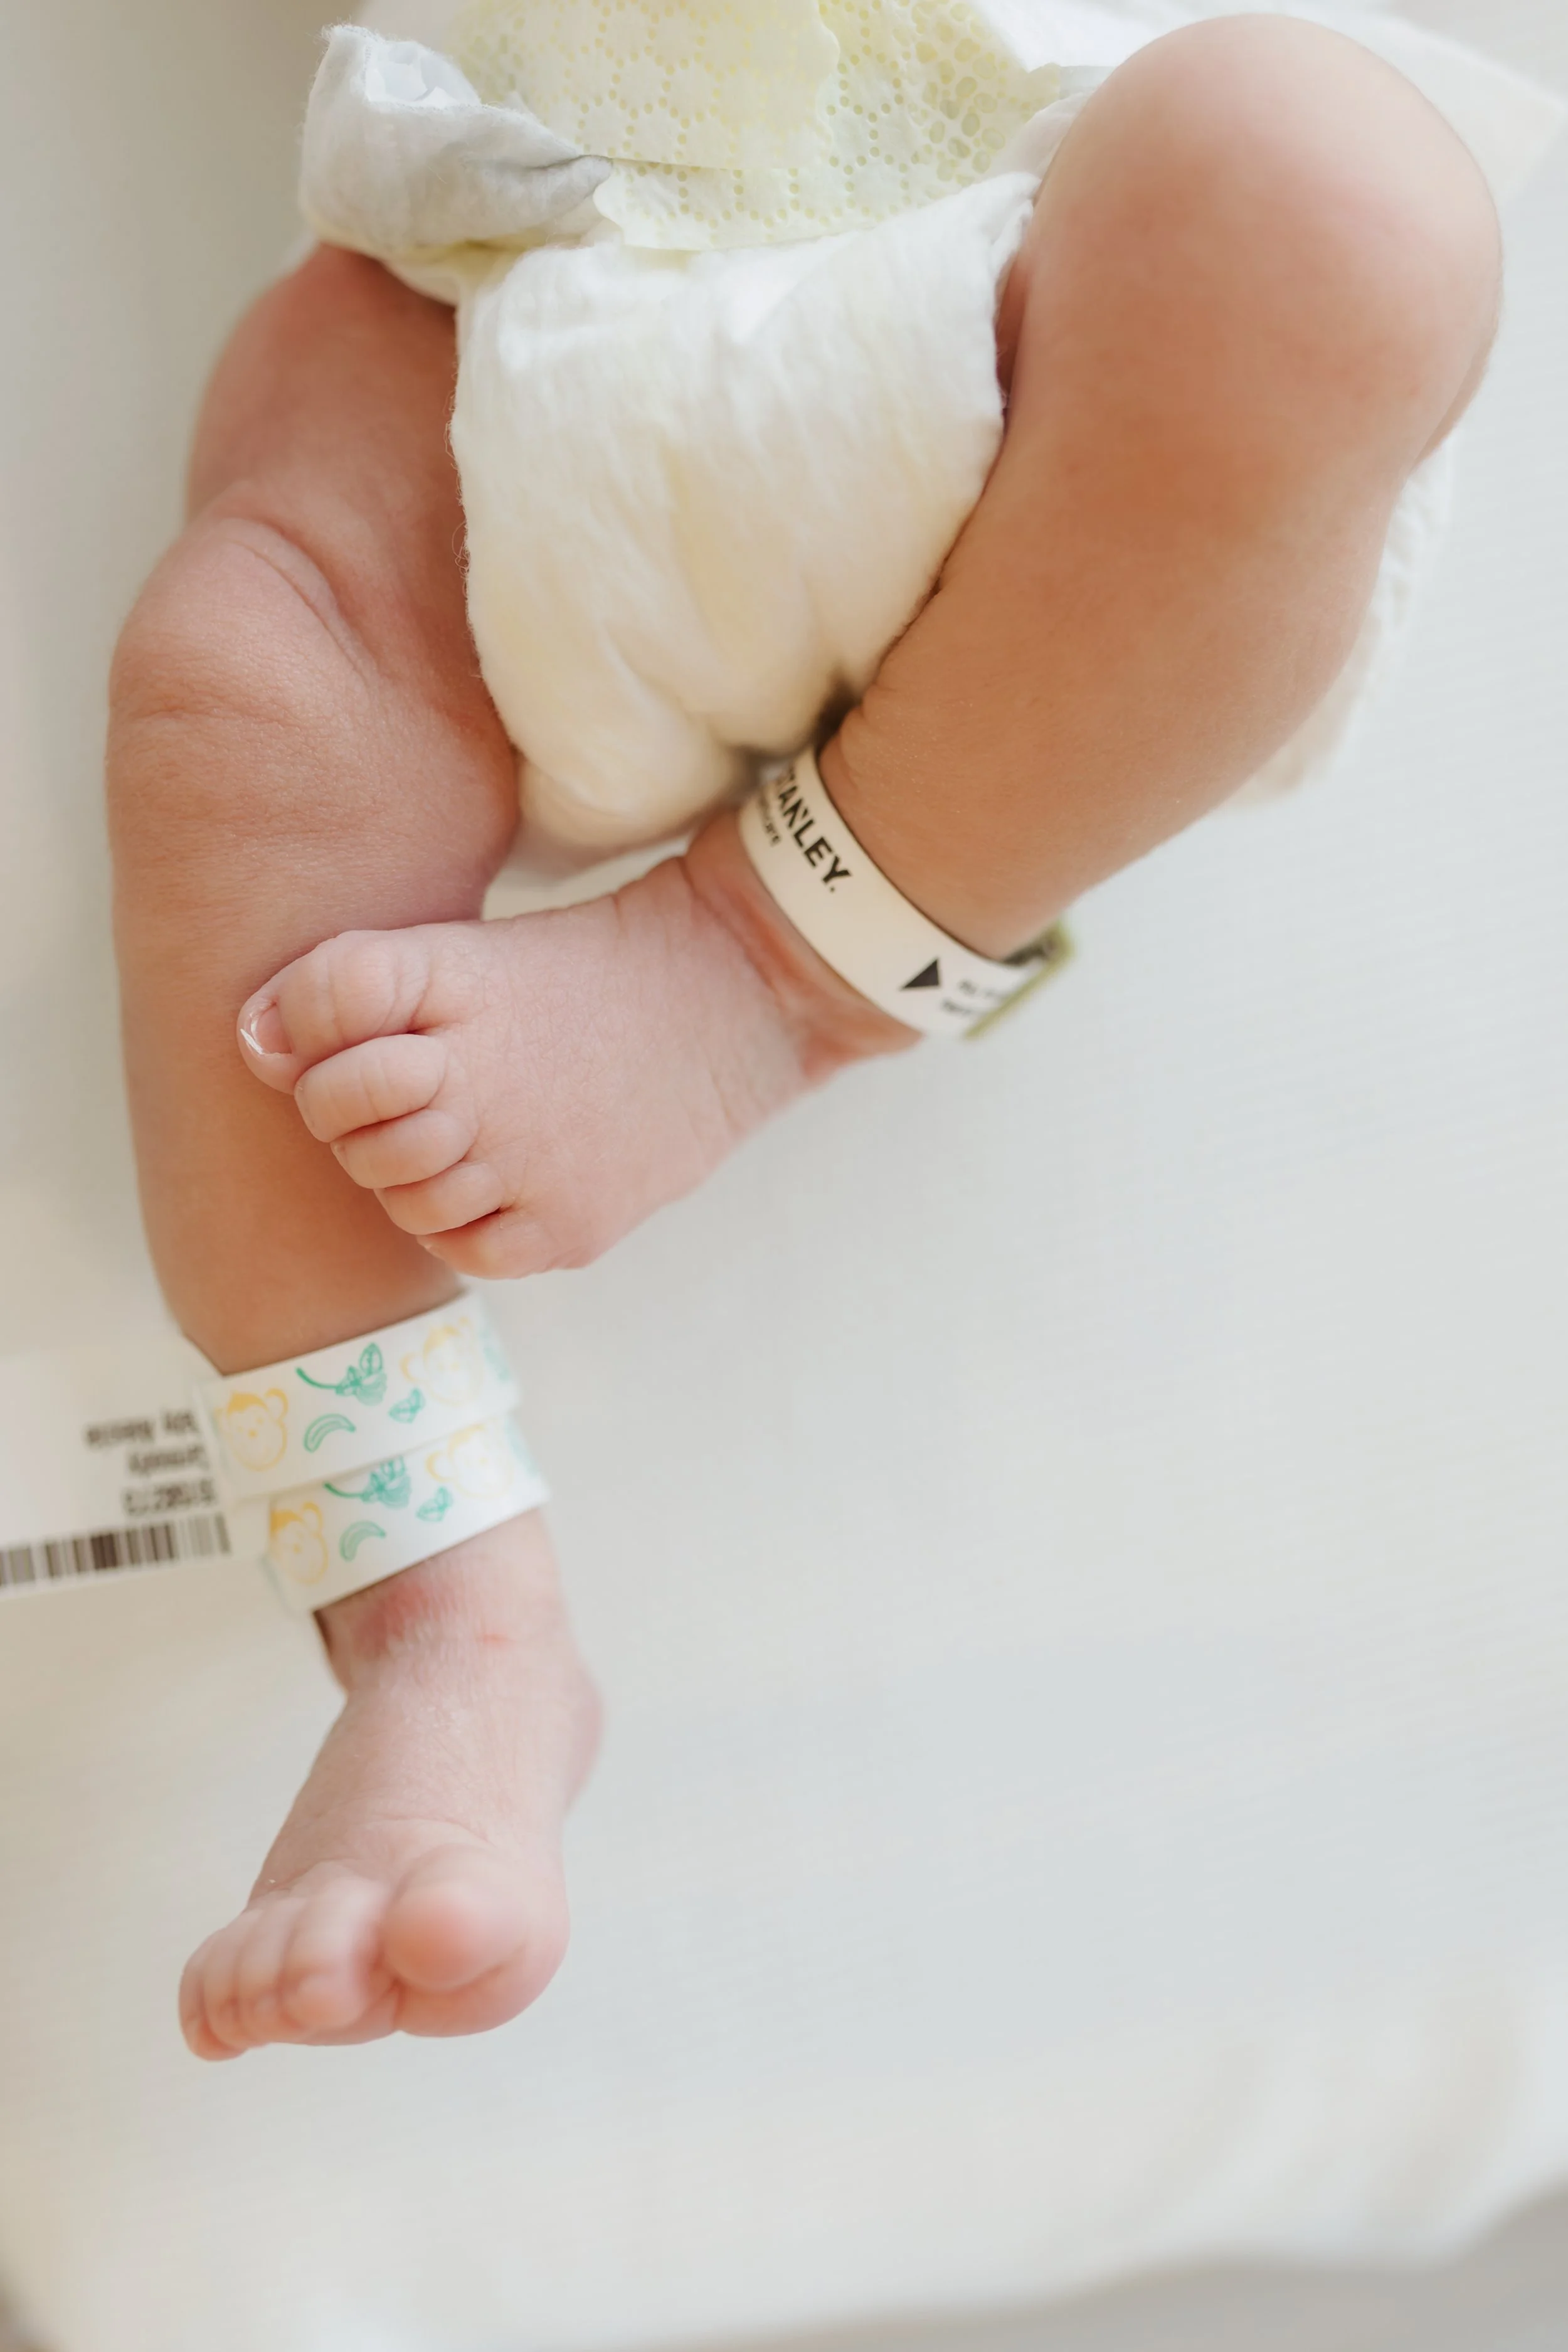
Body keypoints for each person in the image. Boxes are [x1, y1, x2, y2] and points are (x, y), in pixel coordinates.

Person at [105, 7, 1501, 2058]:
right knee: (238, 690)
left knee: (1329, 200)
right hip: (488, 265)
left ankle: (767, 964)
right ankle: (437, 1602)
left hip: (1048, 262)